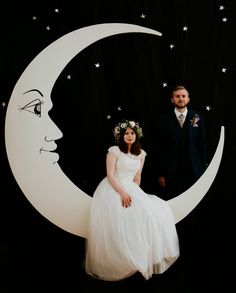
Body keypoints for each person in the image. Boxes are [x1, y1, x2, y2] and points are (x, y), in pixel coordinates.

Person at [85, 119, 179, 281]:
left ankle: (140, 256)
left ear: (137, 135)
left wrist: (135, 193)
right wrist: (122, 192)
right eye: (126, 133)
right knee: (120, 217)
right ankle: (118, 260)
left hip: (131, 187)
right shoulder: (114, 151)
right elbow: (110, 174)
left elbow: (137, 177)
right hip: (113, 187)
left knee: (150, 212)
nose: (129, 136)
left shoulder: (141, 154)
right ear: (121, 136)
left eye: (132, 133)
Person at [157, 85, 207, 199]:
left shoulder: (197, 117)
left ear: (188, 99)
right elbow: (160, 148)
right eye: (177, 96)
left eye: (183, 96)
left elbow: (202, 144)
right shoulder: (164, 120)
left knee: (193, 201)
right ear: (172, 99)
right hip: (171, 172)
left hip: (194, 169)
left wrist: (203, 170)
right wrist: (161, 174)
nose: (181, 98)